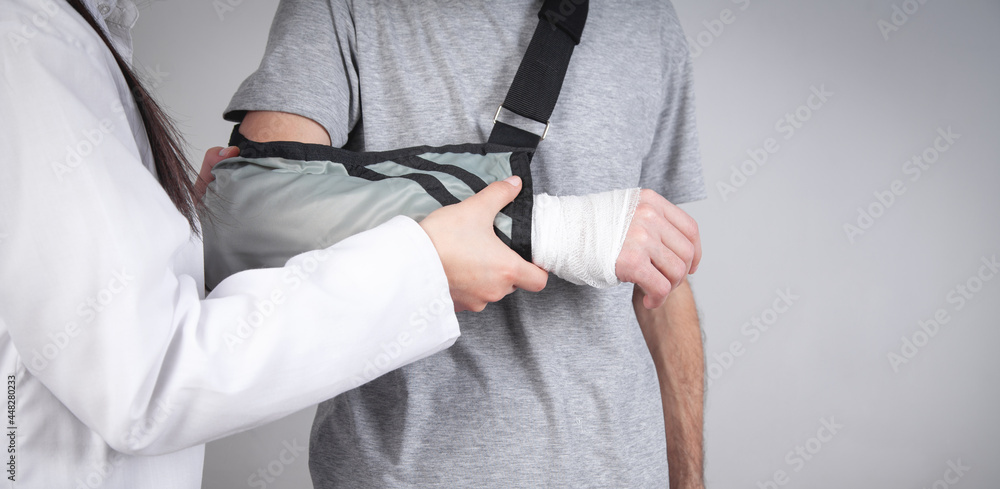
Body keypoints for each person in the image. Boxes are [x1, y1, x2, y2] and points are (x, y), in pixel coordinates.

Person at [0, 0, 550, 487]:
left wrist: (185, 237)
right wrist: (428, 266)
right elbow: (144, 383)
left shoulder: (75, 37)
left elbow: (98, 290)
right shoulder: (28, 44)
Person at [222, 1, 707, 487]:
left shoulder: (647, 19)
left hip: (624, 471)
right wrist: (553, 230)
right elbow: (250, 216)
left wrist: (688, 480)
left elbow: (660, 279)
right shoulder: (342, 8)